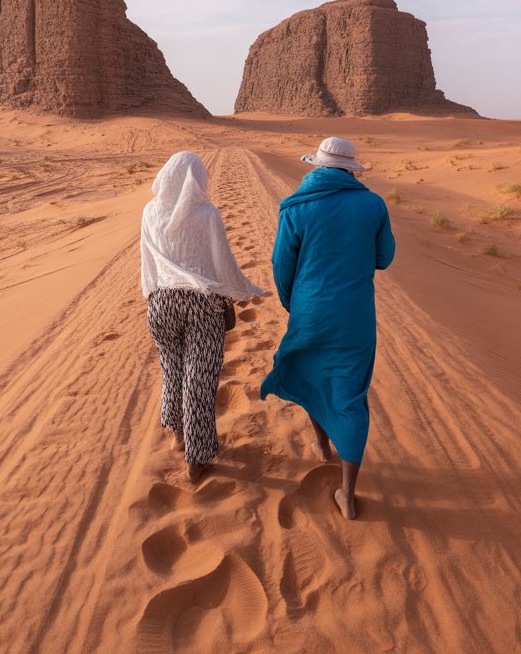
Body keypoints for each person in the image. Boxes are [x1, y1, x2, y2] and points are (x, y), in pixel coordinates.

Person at [260, 136, 395, 519]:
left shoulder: (295, 207)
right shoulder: (373, 204)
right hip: (355, 314)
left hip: (310, 309)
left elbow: (281, 266)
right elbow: (384, 257)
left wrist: (294, 305)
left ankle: (322, 446)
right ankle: (348, 494)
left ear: (317, 166)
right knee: (351, 392)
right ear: (351, 170)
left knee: (311, 374)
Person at [141, 151, 264, 482]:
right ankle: (197, 459)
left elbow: (147, 264)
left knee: (172, 370)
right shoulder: (207, 214)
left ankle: (175, 433)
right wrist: (245, 289)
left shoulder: (150, 211)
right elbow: (221, 263)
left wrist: (153, 296)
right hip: (200, 305)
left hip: (161, 302)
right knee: (200, 379)